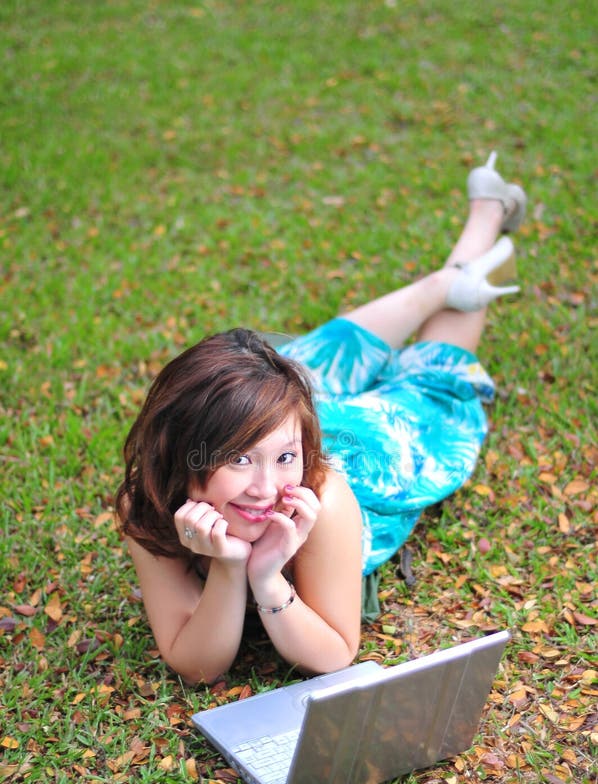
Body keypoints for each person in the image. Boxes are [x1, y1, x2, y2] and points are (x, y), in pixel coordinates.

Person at [116, 151, 527, 686]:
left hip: (366, 454)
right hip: (286, 428)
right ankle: (472, 238)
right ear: (181, 452)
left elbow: (334, 652)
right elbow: (197, 665)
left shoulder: (322, 499)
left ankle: (472, 241)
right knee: (305, 366)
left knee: (428, 387)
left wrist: (267, 577)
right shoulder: (146, 504)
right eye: (239, 459)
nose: (266, 490)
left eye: (281, 460)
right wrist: (231, 564)